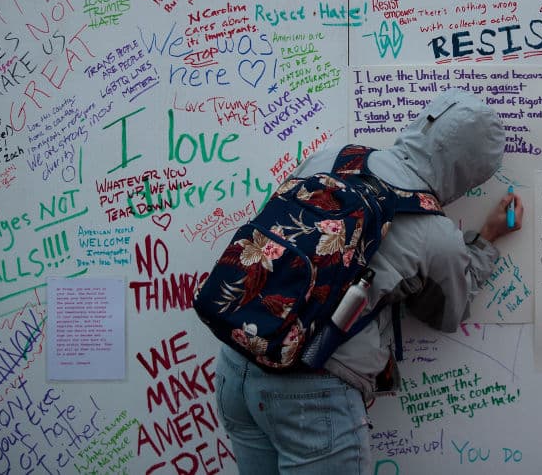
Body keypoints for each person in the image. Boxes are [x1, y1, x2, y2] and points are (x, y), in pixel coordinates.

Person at [214, 90, 523, 474]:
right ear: (469, 171)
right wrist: (485, 241)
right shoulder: (435, 233)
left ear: (424, 122)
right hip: (312, 393)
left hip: (237, 362)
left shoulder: (333, 157)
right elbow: (447, 314)